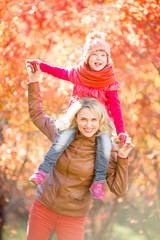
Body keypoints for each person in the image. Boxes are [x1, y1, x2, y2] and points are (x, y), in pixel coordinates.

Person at [26, 69, 134, 240]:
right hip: (43, 208)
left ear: (101, 121)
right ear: (76, 119)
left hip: (73, 217)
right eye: (84, 119)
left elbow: (119, 189)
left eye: (93, 120)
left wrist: (122, 157)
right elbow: (37, 114)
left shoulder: (106, 150)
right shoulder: (62, 134)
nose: (88, 125)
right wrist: (34, 81)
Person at [26, 31, 127, 200]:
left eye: (103, 55)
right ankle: (43, 171)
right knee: (61, 141)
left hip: (99, 125)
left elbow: (116, 108)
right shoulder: (78, 74)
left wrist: (121, 131)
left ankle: (98, 183)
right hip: (76, 121)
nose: (99, 58)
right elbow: (59, 72)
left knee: (105, 148)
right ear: (87, 57)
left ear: (108, 59)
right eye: (95, 54)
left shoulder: (109, 80)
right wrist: (40, 66)